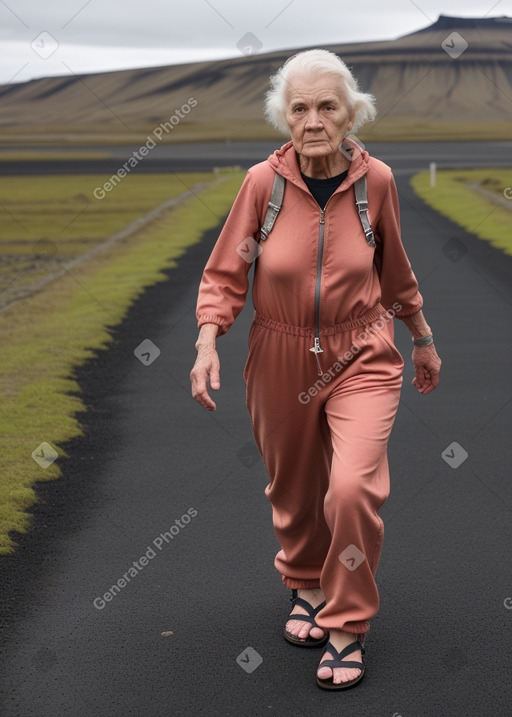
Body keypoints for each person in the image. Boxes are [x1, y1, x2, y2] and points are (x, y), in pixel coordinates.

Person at [190, 49, 441, 690]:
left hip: (362, 350)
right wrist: (206, 342)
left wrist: (421, 337)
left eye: (327, 106)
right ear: (284, 116)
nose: (312, 120)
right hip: (277, 349)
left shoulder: (375, 181)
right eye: (299, 108)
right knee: (294, 487)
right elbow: (225, 273)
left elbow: (395, 271)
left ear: (351, 111)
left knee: (352, 488)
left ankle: (348, 621)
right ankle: (304, 581)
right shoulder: (261, 186)